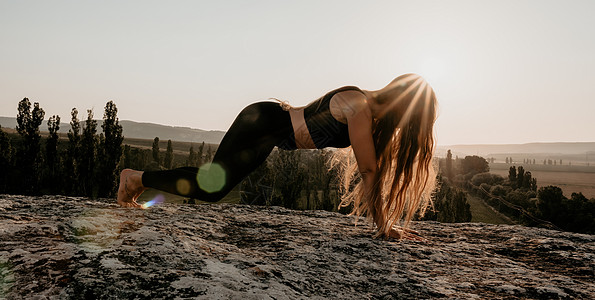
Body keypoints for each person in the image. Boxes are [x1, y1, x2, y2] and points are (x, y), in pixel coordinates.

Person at [117, 73, 438, 239]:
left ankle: (137, 180)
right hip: (263, 121)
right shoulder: (359, 105)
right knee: (212, 186)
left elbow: (374, 167)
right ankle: (134, 178)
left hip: (269, 134)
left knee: (213, 188)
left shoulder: (370, 114)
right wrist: (384, 225)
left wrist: (385, 222)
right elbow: (368, 170)